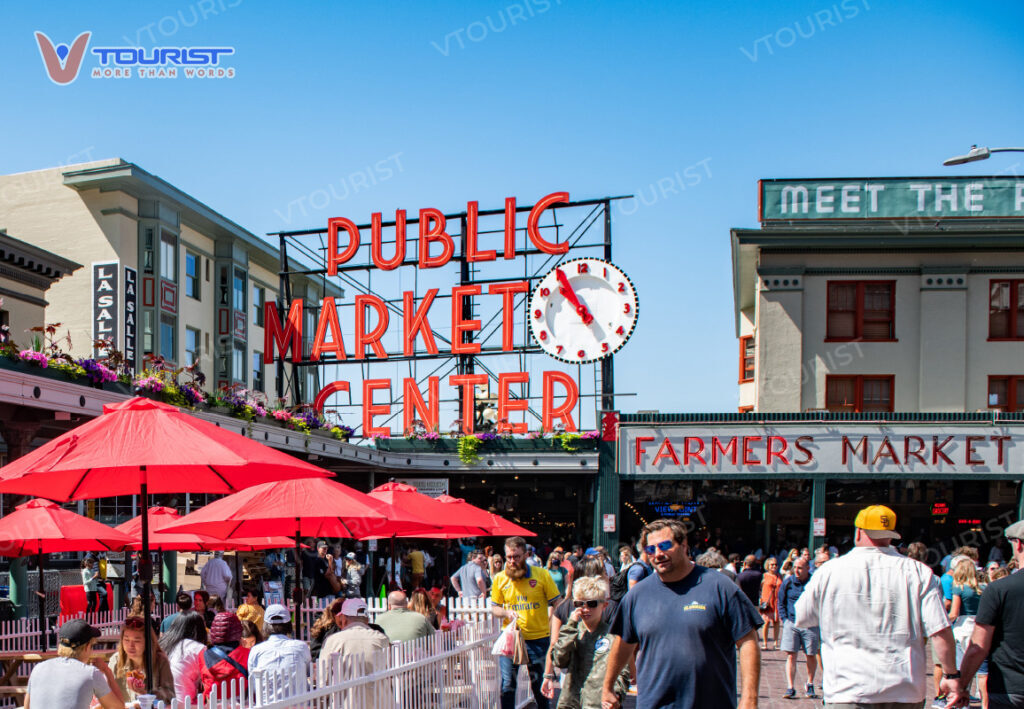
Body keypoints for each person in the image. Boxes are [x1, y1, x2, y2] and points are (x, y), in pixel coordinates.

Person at [795, 504, 960, 708]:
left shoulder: (829, 571)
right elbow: (940, 630)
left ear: (858, 532)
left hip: (848, 688)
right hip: (904, 688)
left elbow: (802, 616)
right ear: (891, 535)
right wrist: (951, 674)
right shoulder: (918, 571)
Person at [602, 518, 763, 709]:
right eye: (651, 549)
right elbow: (623, 643)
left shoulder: (720, 586)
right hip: (654, 703)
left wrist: (749, 699)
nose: (658, 554)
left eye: (665, 546)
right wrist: (607, 686)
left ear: (684, 545)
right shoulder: (637, 595)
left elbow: (748, 641)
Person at [958, 519, 1024, 709]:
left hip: (1009, 689)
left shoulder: (999, 589)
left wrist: (962, 685)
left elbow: (978, 646)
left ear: (1018, 544)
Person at [491, 535, 561, 709]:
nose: (512, 561)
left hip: (538, 639)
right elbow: (494, 608)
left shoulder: (541, 575)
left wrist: (554, 627)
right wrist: (506, 611)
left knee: (539, 686)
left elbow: (557, 603)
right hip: (511, 639)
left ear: (525, 555)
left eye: (517, 556)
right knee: (508, 685)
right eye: (509, 557)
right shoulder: (500, 578)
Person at [551, 576, 629, 709]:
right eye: (580, 604)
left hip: (599, 703)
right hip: (571, 702)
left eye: (591, 604)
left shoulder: (613, 636)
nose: (585, 609)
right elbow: (559, 660)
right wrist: (570, 626)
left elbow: (623, 671)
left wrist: (615, 694)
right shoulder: (572, 631)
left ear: (604, 605)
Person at [25, 618, 125, 709]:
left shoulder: (38, 668)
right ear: (86, 647)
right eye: (92, 646)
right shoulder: (90, 673)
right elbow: (119, 708)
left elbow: (27, 707)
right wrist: (107, 672)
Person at [108, 615, 176, 705]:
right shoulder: (116, 661)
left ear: (148, 642)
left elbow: (170, 695)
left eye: (136, 641)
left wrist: (146, 694)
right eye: (126, 640)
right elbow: (106, 692)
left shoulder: (160, 661)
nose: (130, 645)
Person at [248, 603, 311, 697]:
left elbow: (253, 683)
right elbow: (308, 672)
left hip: (266, 705)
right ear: (289, 624)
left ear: (265, 626)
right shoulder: (301, 647)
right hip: (298, 704)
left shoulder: (256, 650)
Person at [778, 556, 819, 700]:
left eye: (800, 568)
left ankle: (810, 683)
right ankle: (790, 687)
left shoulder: (814, 582)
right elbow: (781, 601)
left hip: (810, 624)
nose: (796, 570)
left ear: (808, 568)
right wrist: (785, 619)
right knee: (791, 655)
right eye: (795, 567)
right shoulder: (788, 582)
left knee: (811, 654)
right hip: (792, 623)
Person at [948, 557, 986, 707]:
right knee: (975, 667)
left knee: (960, 667)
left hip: (962, 628)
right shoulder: (982, 588)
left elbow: (954, 613)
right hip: (977, 626)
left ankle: (961, 702)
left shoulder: (959, 588)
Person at [160, 610, 207, 702]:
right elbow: (207, 682)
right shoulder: (198, 649)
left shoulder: (163, 645)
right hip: (184, 702)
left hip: (159, 701)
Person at [202, 611, 250, 700]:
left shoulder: (203, 655)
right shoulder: (247, 654)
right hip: (242, 703)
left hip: (213, 704)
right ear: (238, 631)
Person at [759, 557, 783, 650]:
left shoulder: (779, 576)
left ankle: (776, 642)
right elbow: (760, 589)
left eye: (775, 564)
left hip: (777, 601)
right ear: (768, 566)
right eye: (772, 564)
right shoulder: (764, 576)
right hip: (767, 602)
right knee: (766, 622)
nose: (774, 566)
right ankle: (765, 643)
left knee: (776, 622)